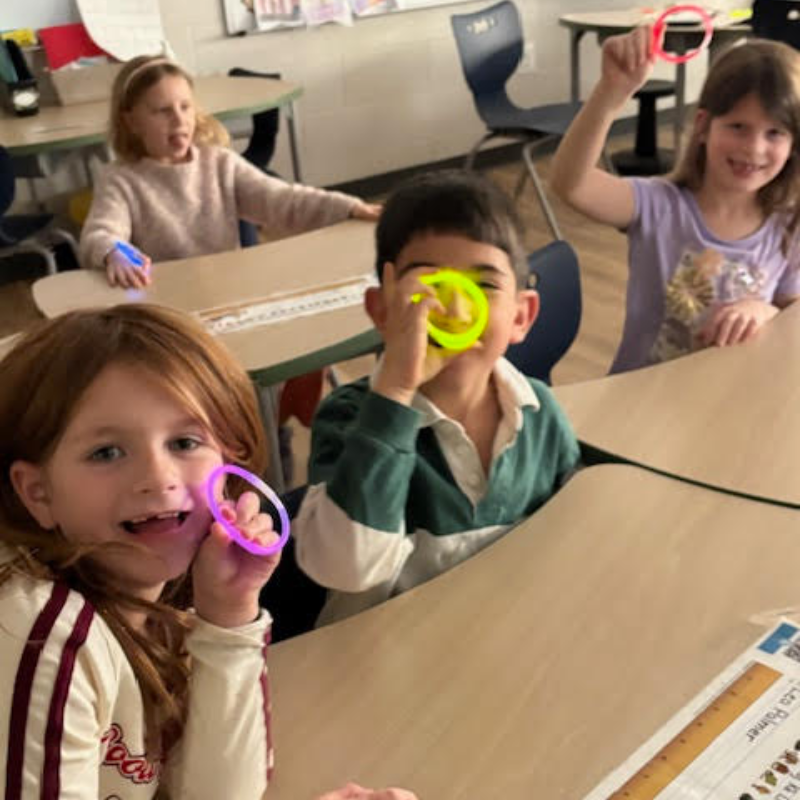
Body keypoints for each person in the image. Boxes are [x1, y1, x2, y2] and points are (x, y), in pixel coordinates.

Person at [0, 305, 416, 800]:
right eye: (106, 452)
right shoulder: (41, 630)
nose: (158, 477)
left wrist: (228, 615)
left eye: (184, 441)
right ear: (38, 493)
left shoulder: (168, 592)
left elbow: (220, 793)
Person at [293, 170, 580, 625]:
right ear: (382, 309)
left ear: (522, 316)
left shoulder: (539, 413)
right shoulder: (350, 418)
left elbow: (570, 535)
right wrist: (395, 391)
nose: (453, 307)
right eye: (428, 284)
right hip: (380, 659)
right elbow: (346, 569)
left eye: (483, 286)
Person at [550, 29, 800, 372]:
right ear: (703, 127)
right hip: (643, 400)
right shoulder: (658, 205)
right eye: (738, 126)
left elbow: (790, 308)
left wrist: (764, 310)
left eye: (775, 133)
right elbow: (571, 184)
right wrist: (610, 93)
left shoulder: (788, 226)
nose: (754, 148)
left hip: (732, 398)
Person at [79, 55, 380, 288]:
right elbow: (102, 232)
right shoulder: (121, 180)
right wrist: (117, 252)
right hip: (168, 308)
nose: (178, 120)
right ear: (131, 122)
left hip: (227, 292)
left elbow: (282, 200)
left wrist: (348, 208)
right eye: (161, 111)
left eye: (185, 107)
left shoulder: (219, 163)